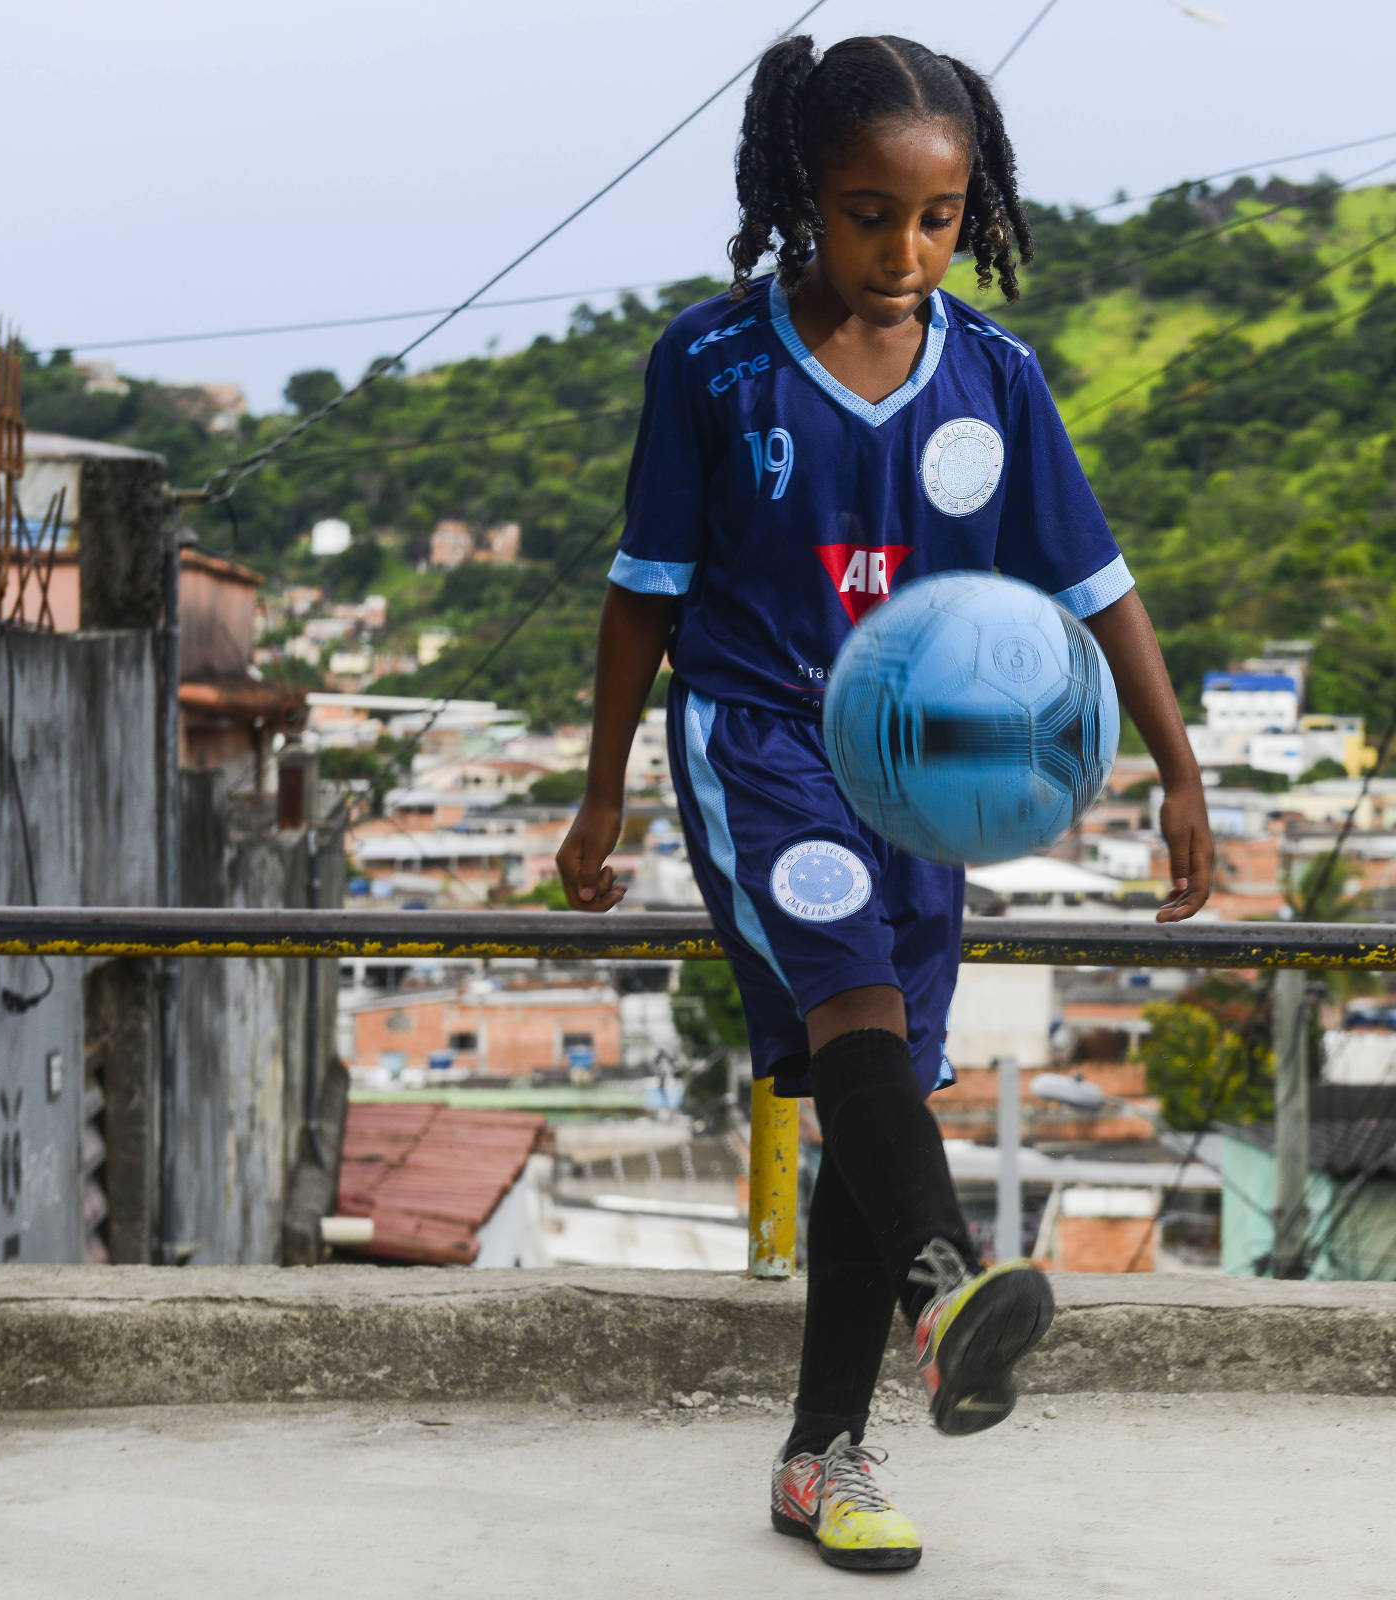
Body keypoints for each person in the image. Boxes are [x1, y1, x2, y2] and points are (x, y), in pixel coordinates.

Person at [555, 33, 1214, 1575]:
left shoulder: (995, 376)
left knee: (880, 1093)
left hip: (931, 776)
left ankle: (824, 1461)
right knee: (852, 1012)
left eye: (936, 217)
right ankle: (949, 1289)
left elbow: (1095, 583)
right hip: (765, 738)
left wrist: (1181, 770)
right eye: (867, 213)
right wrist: (600, 801)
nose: (905, 251)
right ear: (802, 194)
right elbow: (640, 599)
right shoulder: (711, 364)